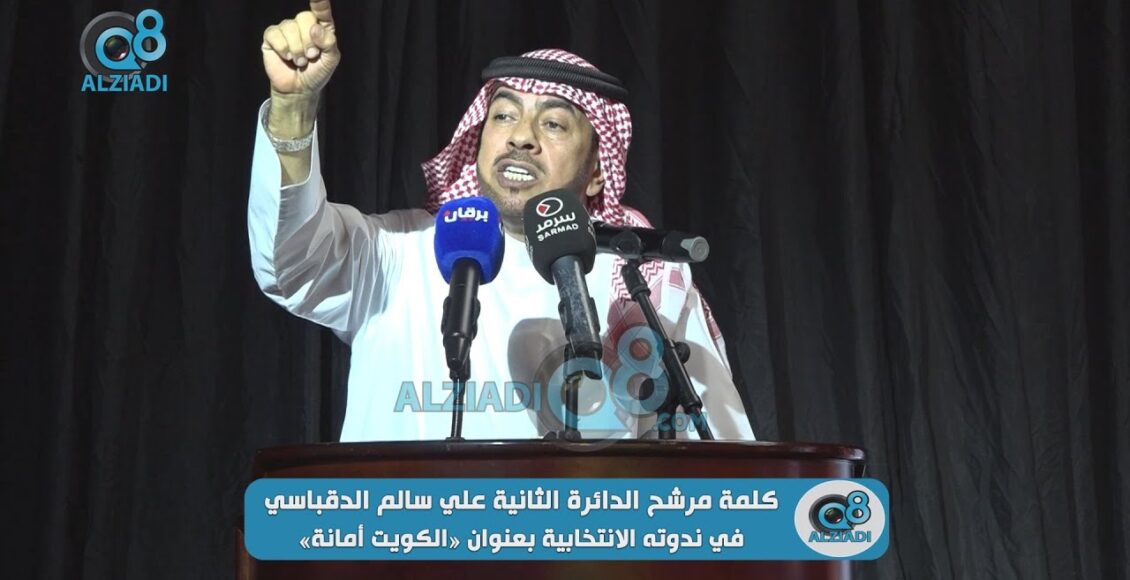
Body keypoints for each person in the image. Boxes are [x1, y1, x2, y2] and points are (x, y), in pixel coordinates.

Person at [250, 0, 755, 441]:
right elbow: (290, 264)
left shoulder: (644, 282)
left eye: (553, 123)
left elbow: (720, 457)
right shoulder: (400, 251)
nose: (521, 137)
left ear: (599, 170)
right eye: (505, 115)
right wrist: (293, 109)